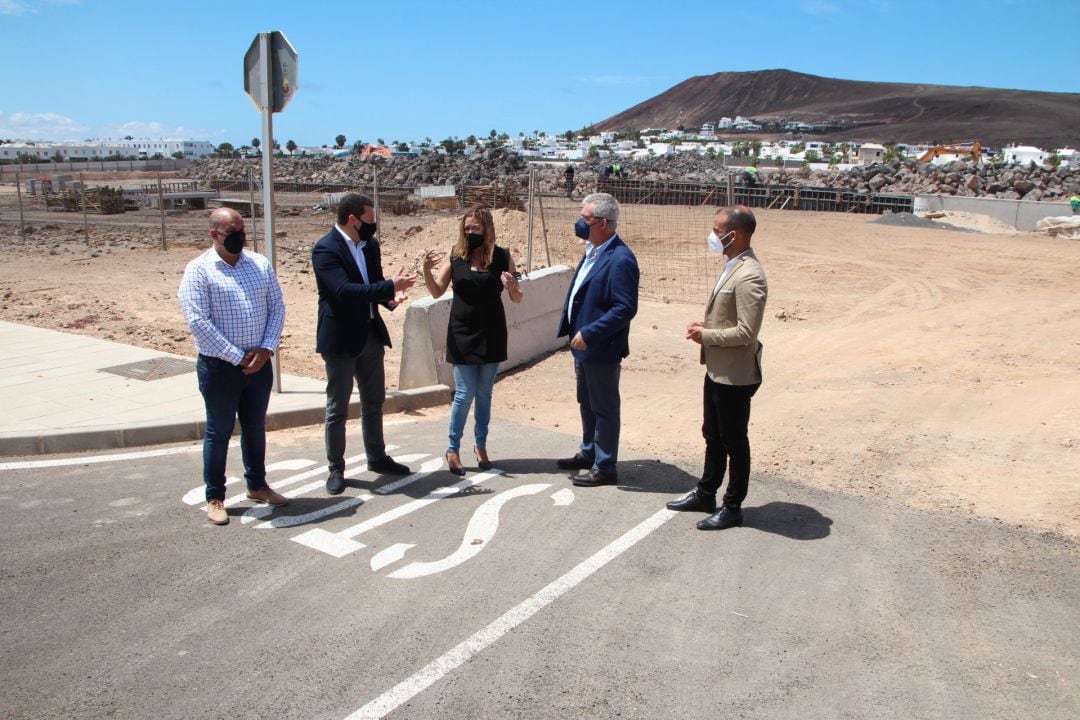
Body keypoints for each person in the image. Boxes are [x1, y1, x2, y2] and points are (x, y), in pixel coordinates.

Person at [178, 207, 288, 525]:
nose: (239, 235)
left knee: (255, 428)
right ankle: (215, 496)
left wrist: (266, 349)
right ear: (214, 234)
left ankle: (257, 485)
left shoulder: (259, 264)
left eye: (242, 229)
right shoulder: (199, 270)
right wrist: (237, 356)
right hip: (220, 367)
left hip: (260, 363)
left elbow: (277, 307)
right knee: (219, 431)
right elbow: (198, 322)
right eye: (231, 231)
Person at [666, 205, 768, 530]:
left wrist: (706, 335)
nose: (713, 235)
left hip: (734, 375)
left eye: (716, 229)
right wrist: (707, 326)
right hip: (717, 369)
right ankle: (706, 492)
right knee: (712, 434)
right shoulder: (732, 265)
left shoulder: (750, 274)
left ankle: (733, 506)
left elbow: (747, 332)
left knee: (734, 441)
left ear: (733, 235)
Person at [312, 193, 417, 495]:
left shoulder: (370, 245)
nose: (374, 226)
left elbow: (373, 285)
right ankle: (336, 467)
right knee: (338, 408)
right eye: (370, 220)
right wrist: (387, 287)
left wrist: (390, 298)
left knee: (374, 401)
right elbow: (344, 291)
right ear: (353, 219)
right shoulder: (325, 249)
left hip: (370, 334)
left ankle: (377, 457)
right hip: (341, 339)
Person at [421, 206, 523, 475]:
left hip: (492, 333)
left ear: (487, 229)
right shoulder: (456, 256)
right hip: (462, 333)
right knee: (464, 394)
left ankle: (480, 445)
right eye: (466, 229)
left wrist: (513, 287)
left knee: (485, 394)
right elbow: (436, 292)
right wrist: (426, 272)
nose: (469, 233)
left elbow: (517, 296)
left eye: (474, 229)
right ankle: (452, 448)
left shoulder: (502, 256)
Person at [556, 192, 639, 487]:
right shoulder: (592, 251)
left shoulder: (620, 259)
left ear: (602, 223)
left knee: (604, 407)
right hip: (582, 347)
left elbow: (625, 308)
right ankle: (589, 452)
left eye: (585, 218)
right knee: (587, 402)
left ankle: (605, 466)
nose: (580, 222)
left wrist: (589, 333)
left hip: (601, 347)